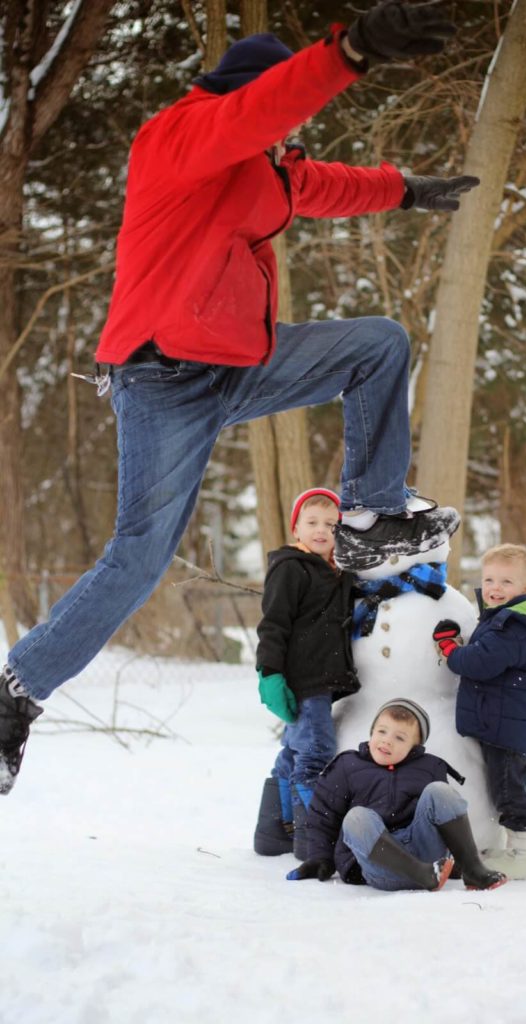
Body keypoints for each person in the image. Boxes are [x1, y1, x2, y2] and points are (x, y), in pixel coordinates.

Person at [0, 2, 481, 795]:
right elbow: (265, 107)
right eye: (274, 126)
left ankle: (367, 513)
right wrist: (350, 51)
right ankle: (18, 690)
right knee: (136, 559)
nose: (282, 143)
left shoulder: (264, 163)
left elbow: (314, 185)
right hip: (160, 378)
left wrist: (402, 190)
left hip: (236, 363)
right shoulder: (182, 137)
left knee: (377, 343)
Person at [432, 543, 526, 879]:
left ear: (525, 588)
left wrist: (450, 649)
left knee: (508, 789)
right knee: (514, 784)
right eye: (490, 579)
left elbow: (479, 663)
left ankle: (524, 853)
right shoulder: (508, 619)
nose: (494, 588)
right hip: (507, 720)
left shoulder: (513, 626)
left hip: (506, 726)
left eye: (506, 582)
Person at [287, 698, 507, 892]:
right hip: (376, 864)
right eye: (382, 731)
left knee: (440, 791)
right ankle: (420, 875)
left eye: (400, 738)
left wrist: (456, 861)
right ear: (372, 732)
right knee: (356, 817)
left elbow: (442, 815)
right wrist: (319, 857)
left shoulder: (429, 767)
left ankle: (473, 869)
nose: (387, 741)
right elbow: (323, 815)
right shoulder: (348, 765)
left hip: (423, 852)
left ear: (414, 747)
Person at [253, 487, 359, 859]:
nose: (321, 530)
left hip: (323, 678)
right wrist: (269, 672)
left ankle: (274, 832)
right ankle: (314, 839)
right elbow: (273, 624)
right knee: (316, 751)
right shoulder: (290, 569)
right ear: (296, 527)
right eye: (312, 522)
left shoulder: (335, 572)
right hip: (304, 677)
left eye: (331, 524)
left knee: (292, 752)